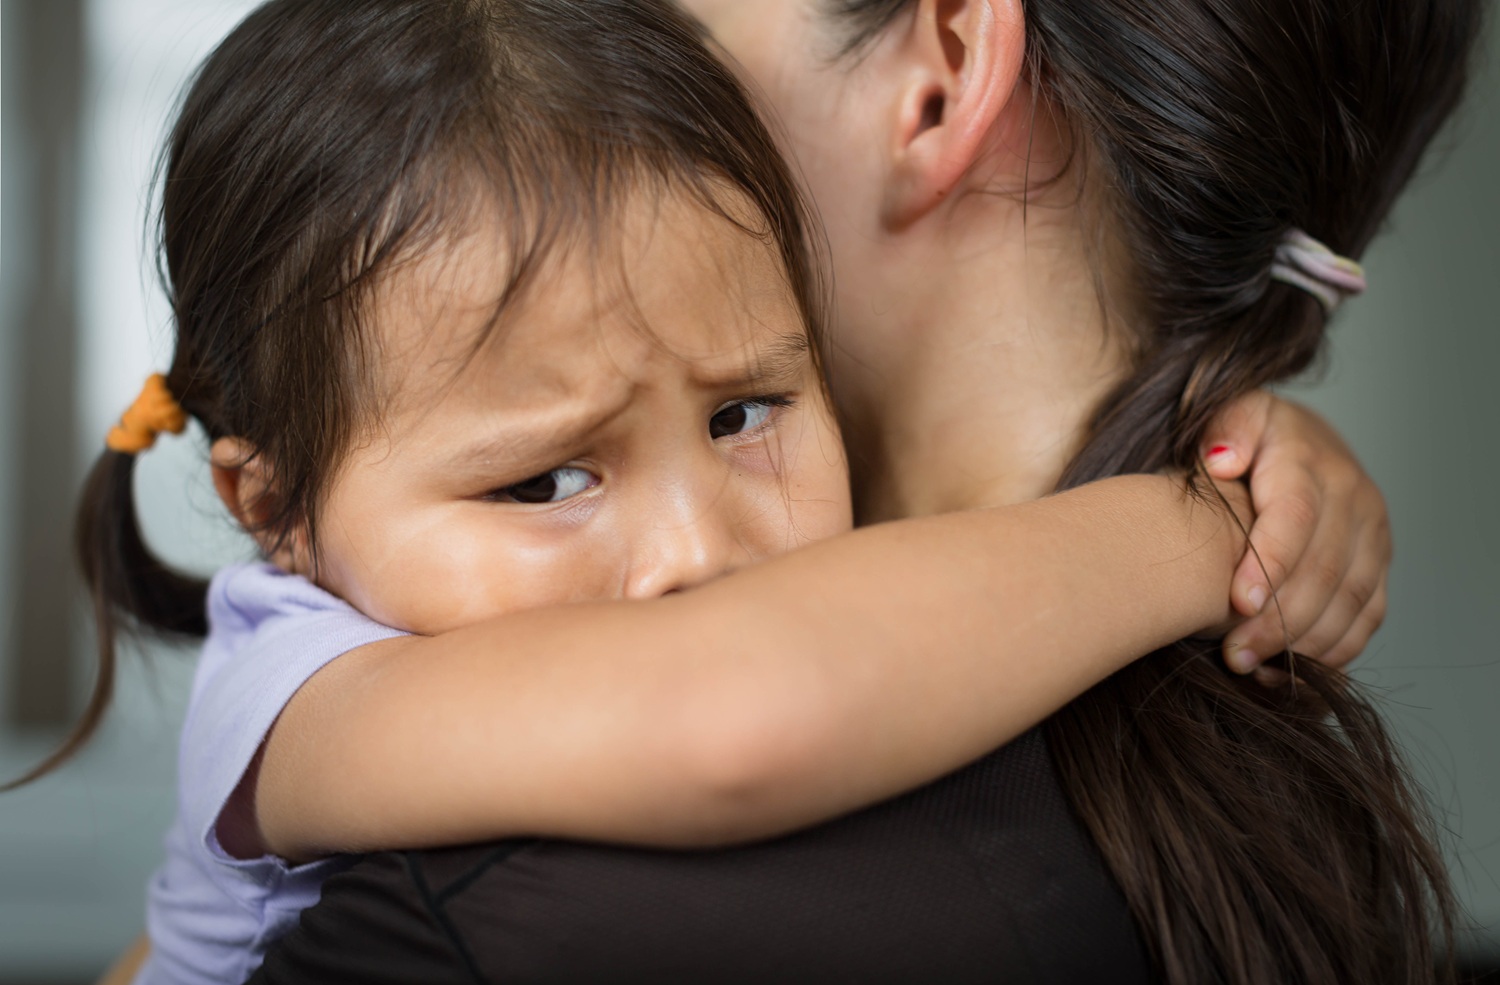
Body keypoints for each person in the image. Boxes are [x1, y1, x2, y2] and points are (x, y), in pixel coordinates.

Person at [34, 1, 1394, 983]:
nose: (698, 554)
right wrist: (1202, 521)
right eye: (546, 479)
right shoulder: (294, 685)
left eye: (745, 413)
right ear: (278, 516)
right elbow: (738, 710)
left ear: (949, 68)